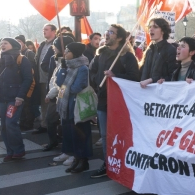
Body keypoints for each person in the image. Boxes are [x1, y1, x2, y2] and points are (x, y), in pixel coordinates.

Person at [89, 24, 139, 178]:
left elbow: (135, 78)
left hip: (120, 103)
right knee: (104, 135)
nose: (107, 34)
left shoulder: (127, 57)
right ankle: (108, 162)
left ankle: (122, 162)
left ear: (119, 38)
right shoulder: (101, 53)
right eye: (108, 31)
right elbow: (93, 71)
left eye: (111, 32)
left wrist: (115, 76)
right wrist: (97, 83)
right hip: (103, 100)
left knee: (121, 134)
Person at [0, 38, 33, 162]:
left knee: (11, 124)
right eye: (1, 43)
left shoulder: (22, 59)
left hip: (14, 99)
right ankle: (10, 151)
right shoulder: (0, 60)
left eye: (5, 43)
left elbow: (27, 79)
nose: (2, 45)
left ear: (13, 45)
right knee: (4, 126)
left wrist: (20, 96)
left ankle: (19, 150)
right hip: (2, 98)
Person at [54, 43, 93, 173]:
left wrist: (66, 87)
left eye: (68, 51)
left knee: (81, 133)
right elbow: (59, 83)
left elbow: (76, 87)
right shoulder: (67, 66)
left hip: (77, 105)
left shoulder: (82, 68)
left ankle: (83, 160)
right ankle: (76, 159)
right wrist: (63, 69)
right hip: (67, 105)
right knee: (72, 133)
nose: (65, 53)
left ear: (75, 53)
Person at [44, 34, 75, 156]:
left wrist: (51, 94)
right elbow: (53, 78)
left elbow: (61, 83)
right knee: (50, 120)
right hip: (53, 94)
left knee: (64, 123)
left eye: (56, 46)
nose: (53, 48)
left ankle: (68, 149)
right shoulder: (54, 59)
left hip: (61, 95)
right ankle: (54, 141)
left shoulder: (69, 62)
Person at [33, 24, 57, 135]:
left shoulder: (57, 43)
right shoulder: (42, 44)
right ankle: (44, 124)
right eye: (43, 30)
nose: (44, 32)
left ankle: (53, 126)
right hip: (41, 79)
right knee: (44, 102)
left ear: (53, 31)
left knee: (52, 102)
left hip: (53, 79)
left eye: (46, 30)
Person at [140, 18, 177, 88]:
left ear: (163, 31)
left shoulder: (170, 49)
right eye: (150, 27)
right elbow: (142, 73)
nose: (151, 29)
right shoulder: (149, 50)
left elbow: (173, 75)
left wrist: (152, 80)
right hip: (146, 93)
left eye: (155, 27)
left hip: (161, 93)